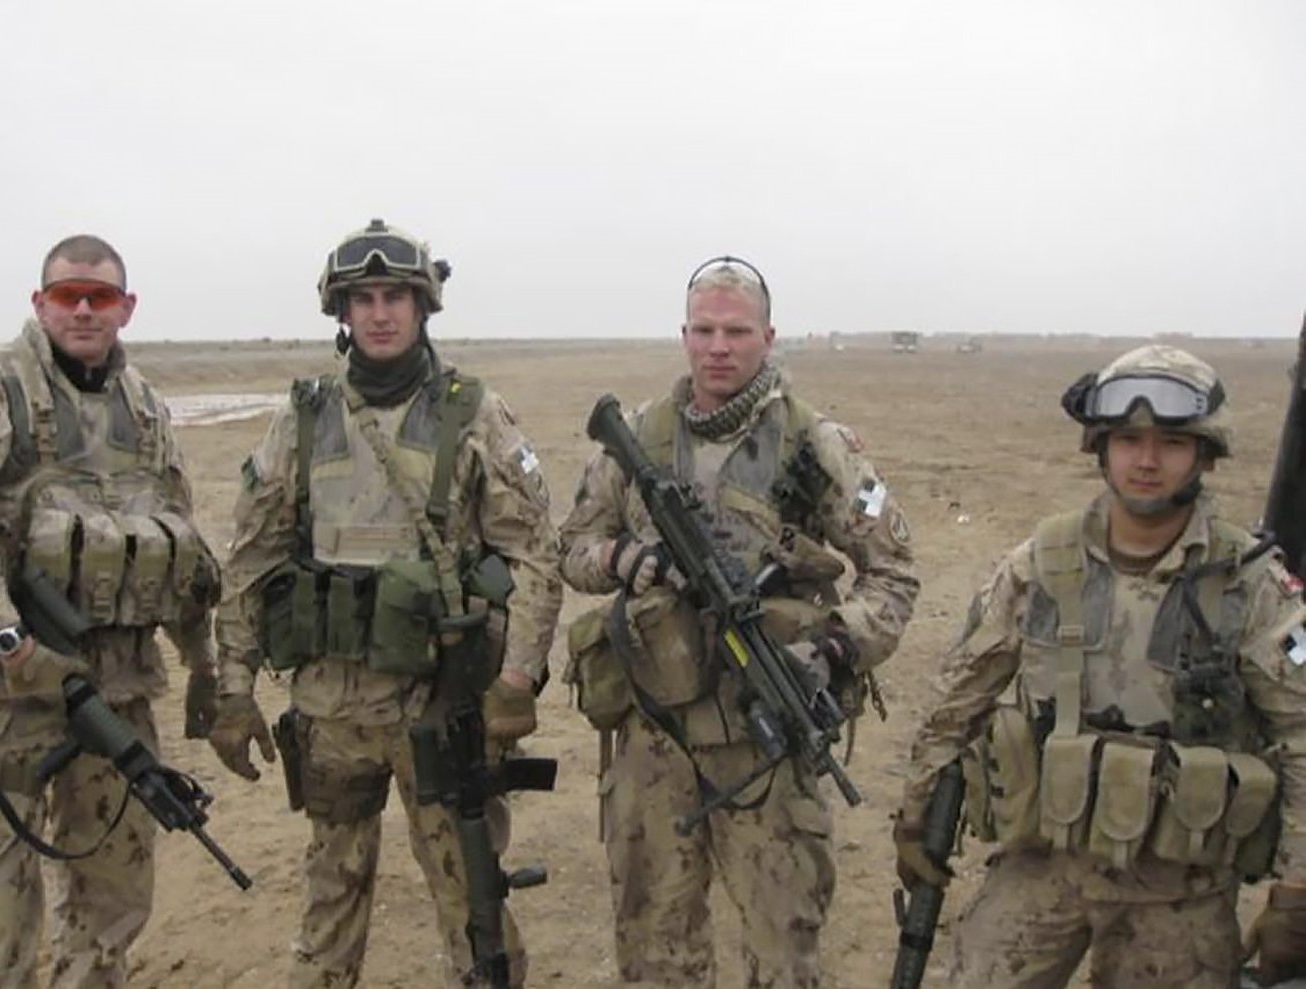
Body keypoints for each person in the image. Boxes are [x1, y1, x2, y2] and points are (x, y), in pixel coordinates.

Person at [207, 219, 562, 988]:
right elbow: (252, 557)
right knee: (330, 903)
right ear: (341, 311)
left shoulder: (474, 412)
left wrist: (515, 681)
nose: (378, 313)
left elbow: (536, 551)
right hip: (331, 711)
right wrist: (232, 691)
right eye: (362, 298)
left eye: (394, 296)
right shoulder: (304, 416)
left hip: (441, 706)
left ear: (422, 305)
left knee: (473, 903)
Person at [894, 345, 1306, 988]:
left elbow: (1301, 734)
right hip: (1041, 866)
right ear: (1101, 448)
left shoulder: (1251, 586)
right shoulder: (1040, 564)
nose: (1147, 460)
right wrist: (917, 811)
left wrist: (1296, 894)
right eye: (1129, 440)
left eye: (1172, 442)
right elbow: (960, 696)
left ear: (1206, 454)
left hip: (1179, 893)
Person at [559, 256, 920, 988]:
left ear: (769, 337)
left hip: (766, 739)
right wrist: (622, 559)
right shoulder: (638, 436)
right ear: (684, 336)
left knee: (783, 946)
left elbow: (893, 574)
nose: (718, 347)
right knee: (655, 947)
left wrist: (833, 648)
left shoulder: (815, 445)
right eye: (704, 331)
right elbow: (571, 548)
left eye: (736, 331)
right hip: (653, 732)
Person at [0, 234, 221, 988]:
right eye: (67, 295)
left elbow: (180, 538)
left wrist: (202, 660)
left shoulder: (144, 407)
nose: (83, 309)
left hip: (117, 695)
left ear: (126, 308)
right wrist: (11, 642)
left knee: (112, 902)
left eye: (100, 296)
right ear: (39, 302)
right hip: (6, 696)